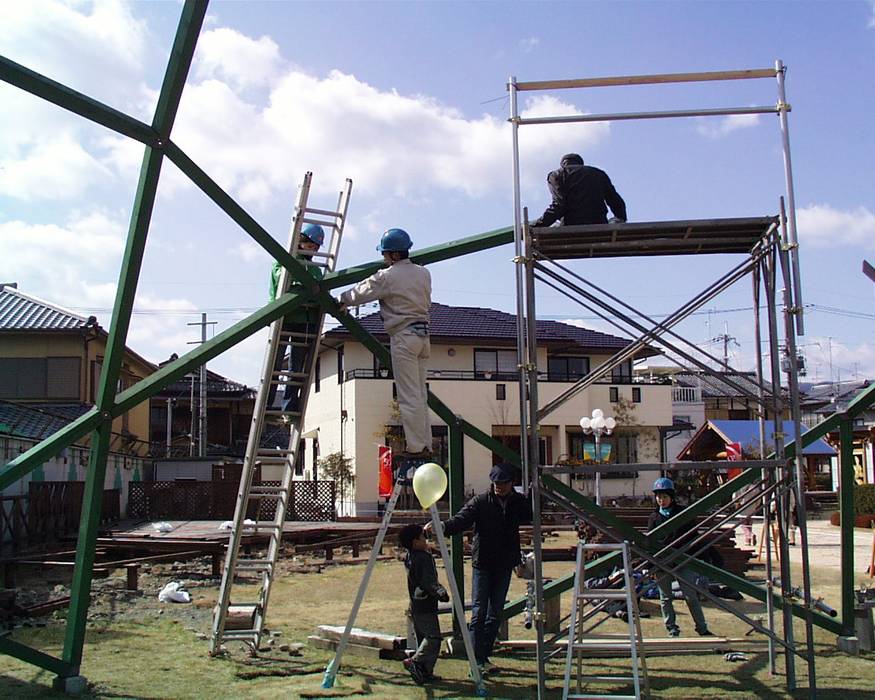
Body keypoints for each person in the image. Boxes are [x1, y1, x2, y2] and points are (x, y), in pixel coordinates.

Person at [426, 462, 533, 673]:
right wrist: (442, 526)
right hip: (483, 563)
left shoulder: (519, 502)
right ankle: (476, 662)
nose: (499, 487)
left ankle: (483, 658)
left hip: (503, 564)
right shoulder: (481, 502)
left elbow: (531, 514)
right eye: (496, 483)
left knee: (495, 614)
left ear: (512, 483)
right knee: (479, 612)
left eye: (503, 483)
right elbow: (461, 520)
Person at [337, 228, 432, 457]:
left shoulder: (387, 276)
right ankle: (425, 443)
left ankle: (416, 447)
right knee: (420, 394)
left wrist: (341, 301)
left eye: (385, 254)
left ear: (392, 255)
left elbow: (362, 291)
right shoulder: (423, 273)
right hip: (423, 337)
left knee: (408, 395)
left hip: (403, 337)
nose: (384, 258)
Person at [267, 223, 325, 417]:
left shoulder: (315, 269)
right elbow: (281, 287)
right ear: (301, 241)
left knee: (296, 367)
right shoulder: (285, 262)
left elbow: (321, 290)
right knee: (274, 365)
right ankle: (267, 404)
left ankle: (289, 407)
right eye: (310, 246)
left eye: (315, 248)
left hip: (306, 321)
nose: (313, 250)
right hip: (285, 317)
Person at [647, 477, 713, 637]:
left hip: (683, 560)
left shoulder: (683, 514)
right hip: (662, 562)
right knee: (665, 598)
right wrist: (650, 565)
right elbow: (649, 542)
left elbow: (693, 538)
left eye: (664, 497)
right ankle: (672, 629)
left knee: (691, 596)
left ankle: (702, 628)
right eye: (659, 497)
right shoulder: (654, 517)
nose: (661, 500)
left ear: (671, 497)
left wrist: (700, 558)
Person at [398, 523, 449, 685]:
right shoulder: (423, 558)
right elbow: (428, 580)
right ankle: (415, 661)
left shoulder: (410, 556)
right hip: (425, 605)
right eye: (423, 537)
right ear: (415, 542)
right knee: (433, 638)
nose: (426, 539)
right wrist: (440, 592)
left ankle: (424, 672)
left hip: (416, 605)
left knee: (423, 640)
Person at [532, 153, 627, 227]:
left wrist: (538, 225)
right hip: (599, 224)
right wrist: (620, 218)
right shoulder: (599, 174)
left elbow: (559, 206)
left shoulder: (557, 174)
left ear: (563, 165)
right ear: (581, 164)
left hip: (570, 226)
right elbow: (614, 200)